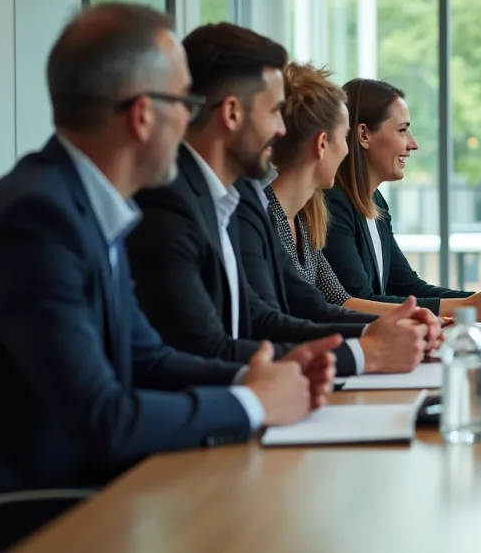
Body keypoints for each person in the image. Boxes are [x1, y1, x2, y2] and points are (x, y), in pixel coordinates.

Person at [0, 3, 337, 499]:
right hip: (38, 516)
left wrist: (263, 375)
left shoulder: (82, 203)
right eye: (185, 101)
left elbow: (149, 359)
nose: (192, 119)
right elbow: (104, 419)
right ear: (143, 116)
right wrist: (254, 402)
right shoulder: (38, 220)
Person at [124, 23, 429, 377]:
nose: (282, 131)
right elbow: (209, 345)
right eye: (273, 112)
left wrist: (371, 334)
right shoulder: (174, 206)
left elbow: (278, 312)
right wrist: (365, 353)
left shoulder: (240, 199)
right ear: (233, 114)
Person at [236, 62, 440, 341]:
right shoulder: (263, 219)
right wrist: (378, 339)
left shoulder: (303, 220)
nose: (347, 150)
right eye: (343, 138)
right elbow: (285, 322)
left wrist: (400, 322)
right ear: (322, 144)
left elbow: (333, 302)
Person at [323, 78, 481, 322]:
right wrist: (467, 306)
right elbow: (359, 300)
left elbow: (407, 286)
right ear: (364, 135)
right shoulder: (333, 202)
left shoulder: (374, 202)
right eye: (402, 130)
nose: (413, 144)